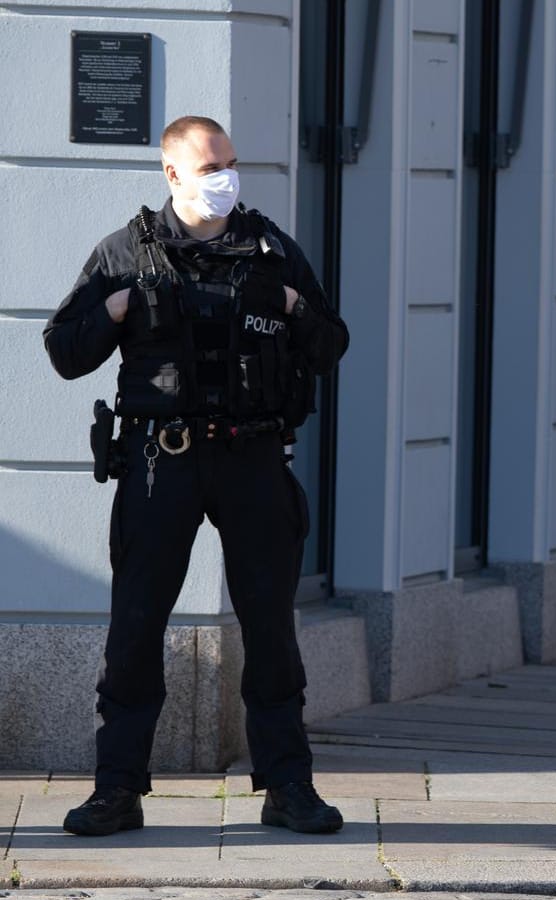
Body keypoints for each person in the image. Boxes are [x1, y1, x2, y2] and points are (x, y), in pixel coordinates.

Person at [42, 115, 350, 838]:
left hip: (254, 458)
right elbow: (63, 349)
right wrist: (119, 306)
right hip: (161, 461)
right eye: (210, 168)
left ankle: (288, 785)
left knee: (271, 628)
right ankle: (116, 790)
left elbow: (331, 345)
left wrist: (294, 305)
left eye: (232, 164)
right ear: (172, 173)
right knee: (136, 627)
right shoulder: (126, 252)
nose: (225, 179)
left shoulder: (272, 249)